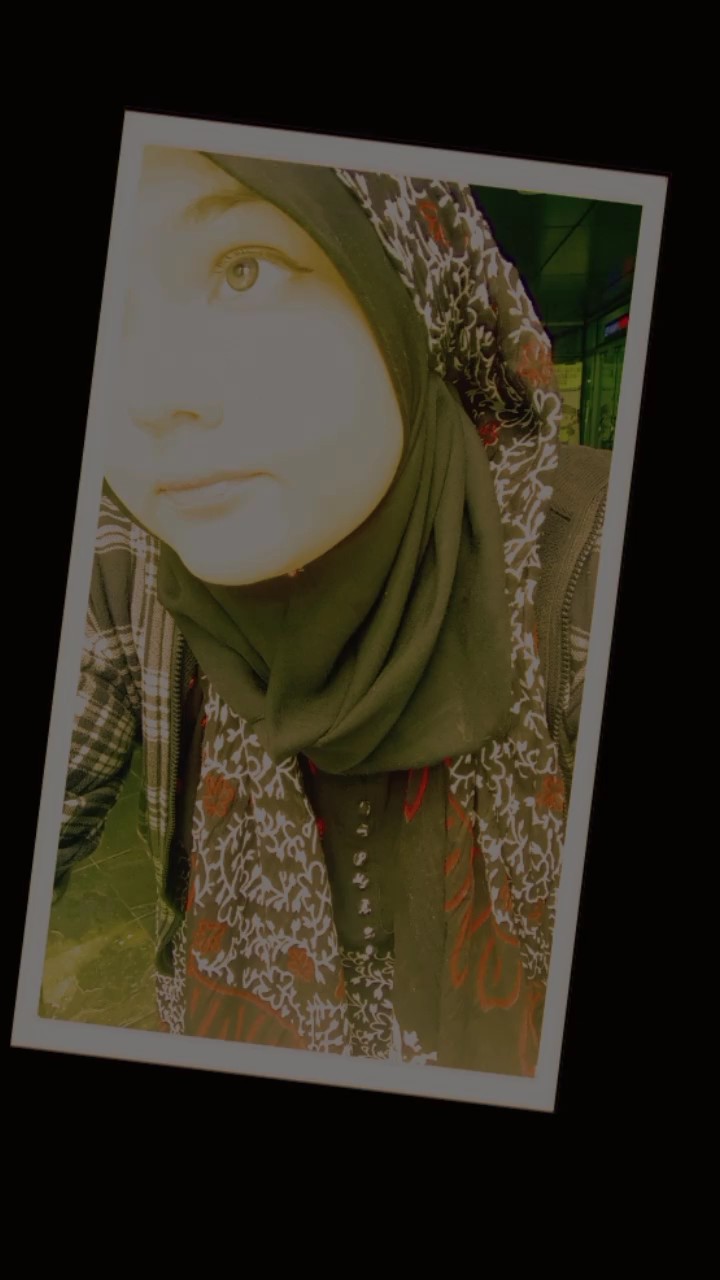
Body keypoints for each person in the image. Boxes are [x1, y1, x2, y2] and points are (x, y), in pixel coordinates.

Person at [53, 145, 610, 1074]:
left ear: (406, 296)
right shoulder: (129, 569)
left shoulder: (581, 560)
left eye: (243, 270)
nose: (151, 398)